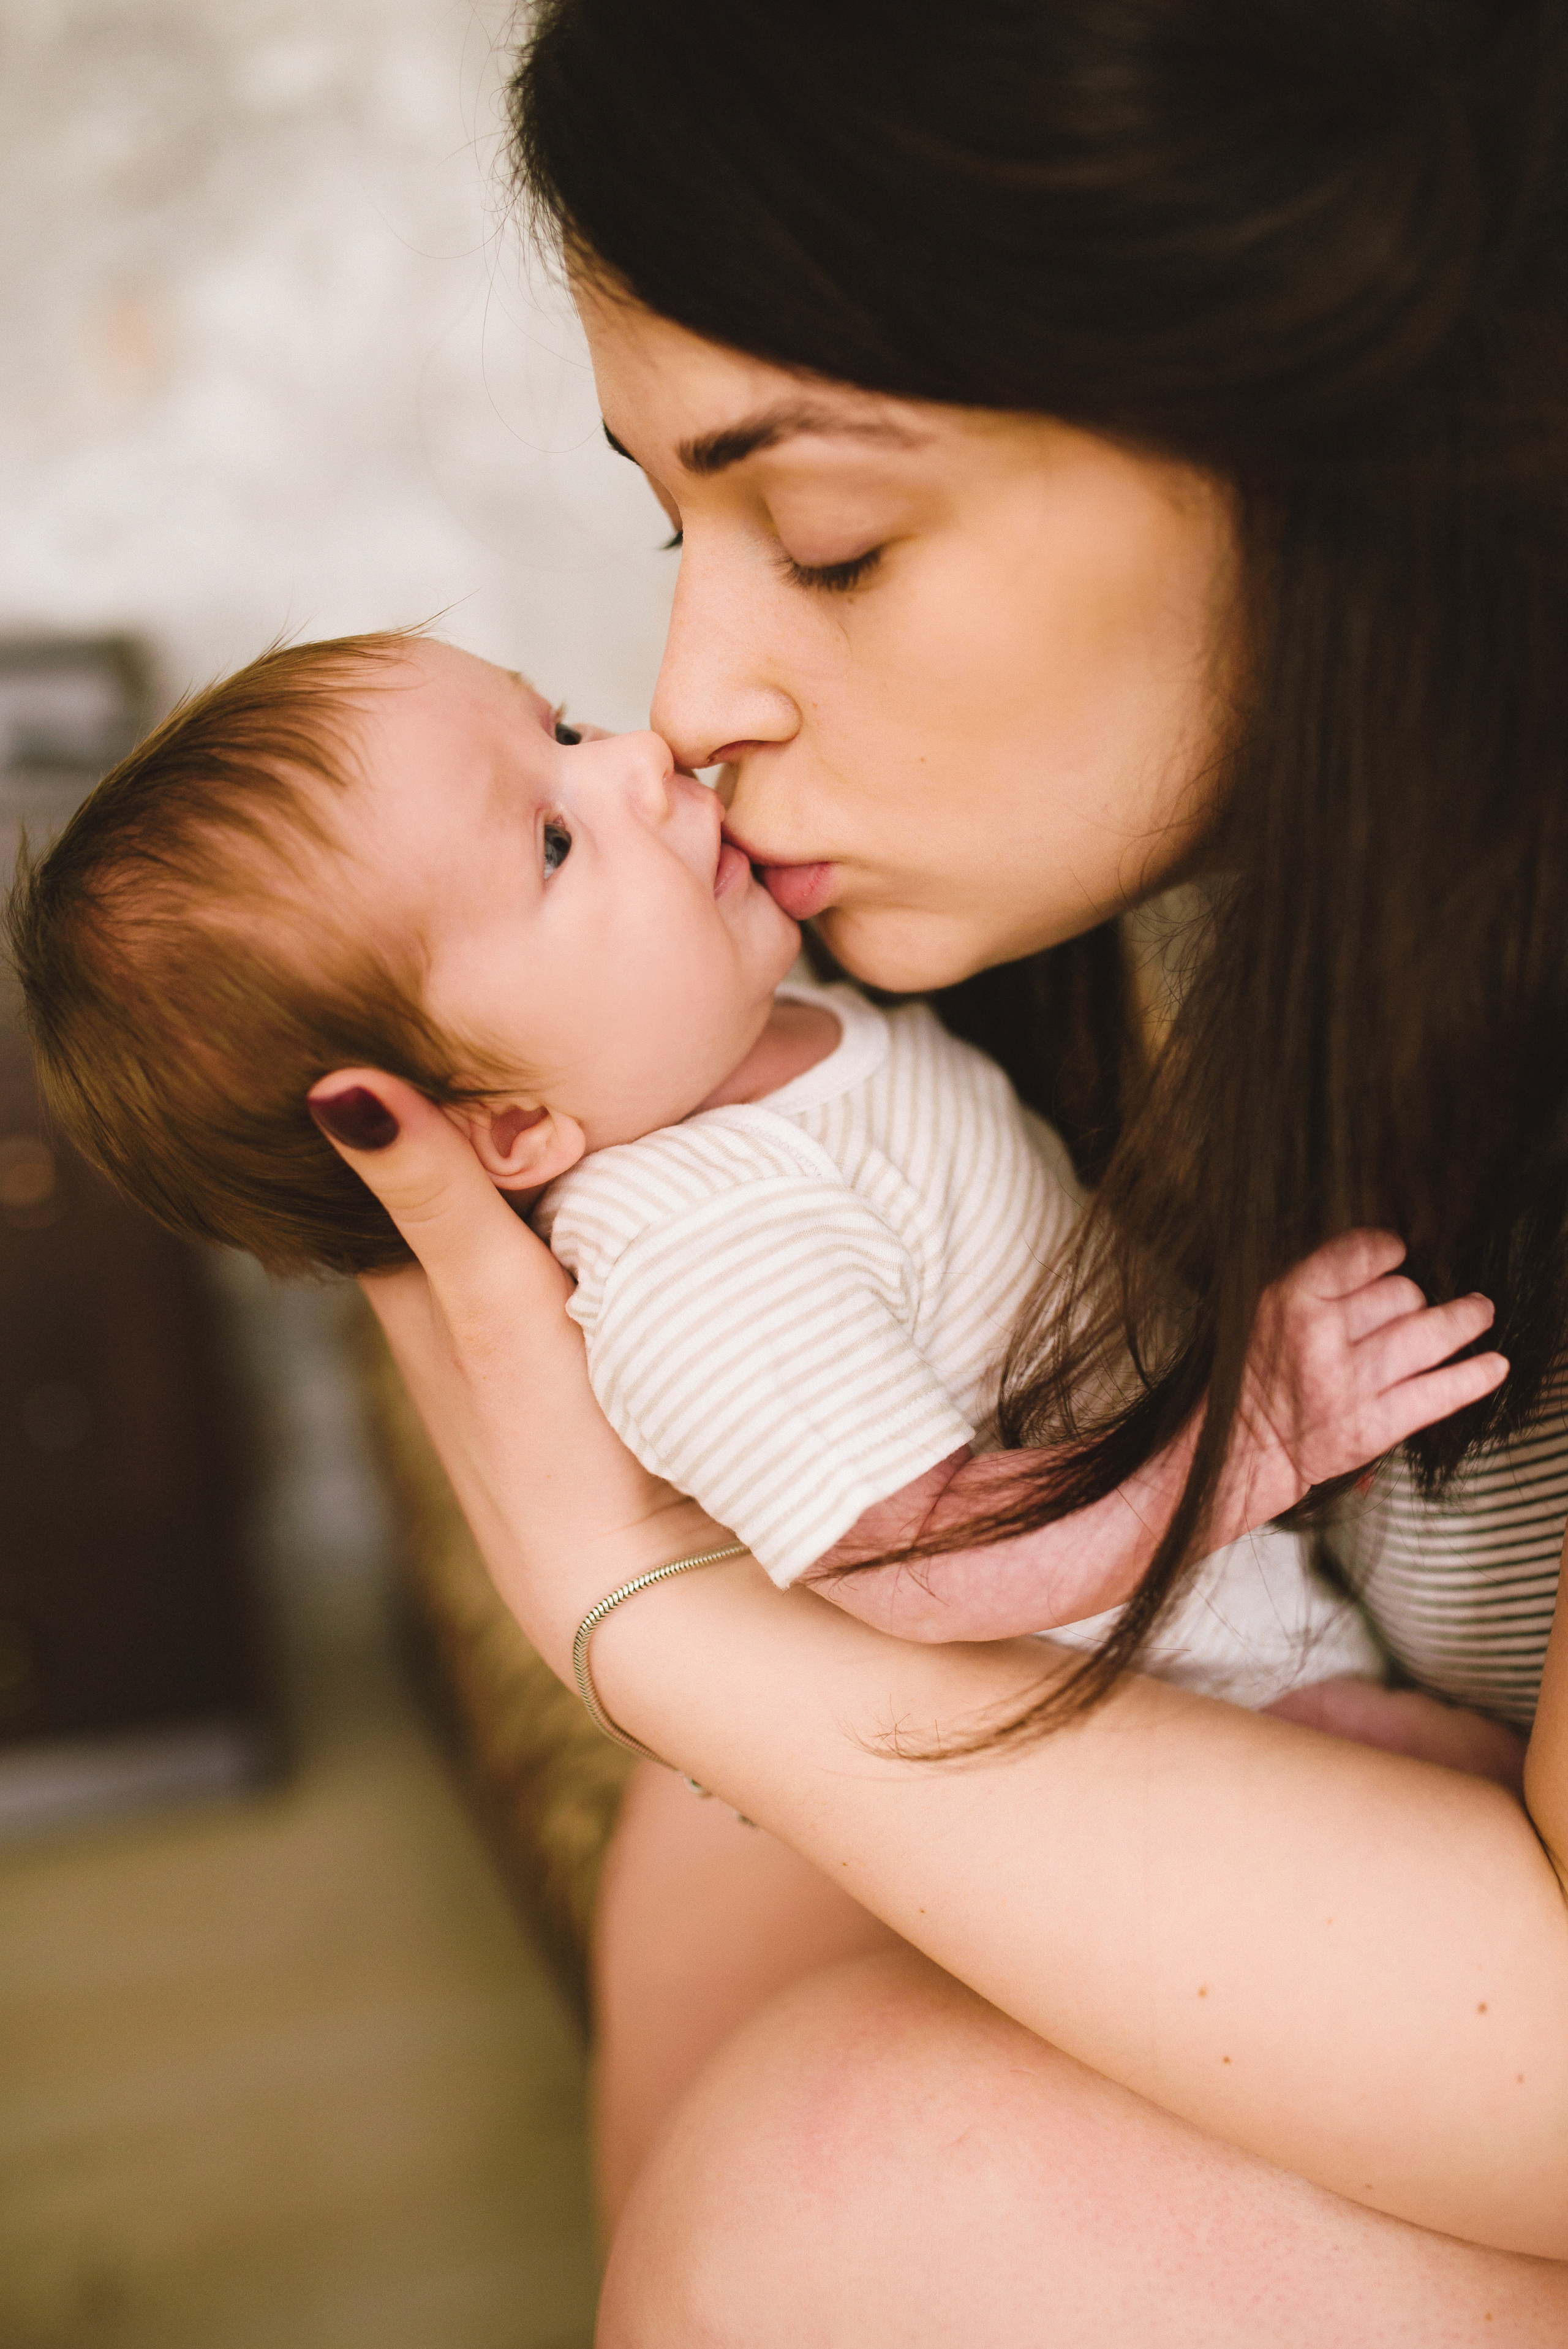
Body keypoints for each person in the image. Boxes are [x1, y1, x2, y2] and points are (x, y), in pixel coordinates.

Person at [178, 0, 1568, 2333]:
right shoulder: (1155, 919)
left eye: (824, 538)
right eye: (671, 521)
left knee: (841, 2182)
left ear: (1332, 417)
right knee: (730, 1893)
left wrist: (652, 1621)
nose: (682, 697)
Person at [14, 630, 1502, 1715]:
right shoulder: (697, 1247)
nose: (640, 767)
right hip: (1199, 1724)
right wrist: (1249, 1433)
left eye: (569, 729)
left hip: (1247, 1621)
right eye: (549, 840)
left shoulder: (750, 1025)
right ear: (508, 1130)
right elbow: (921, 1565)